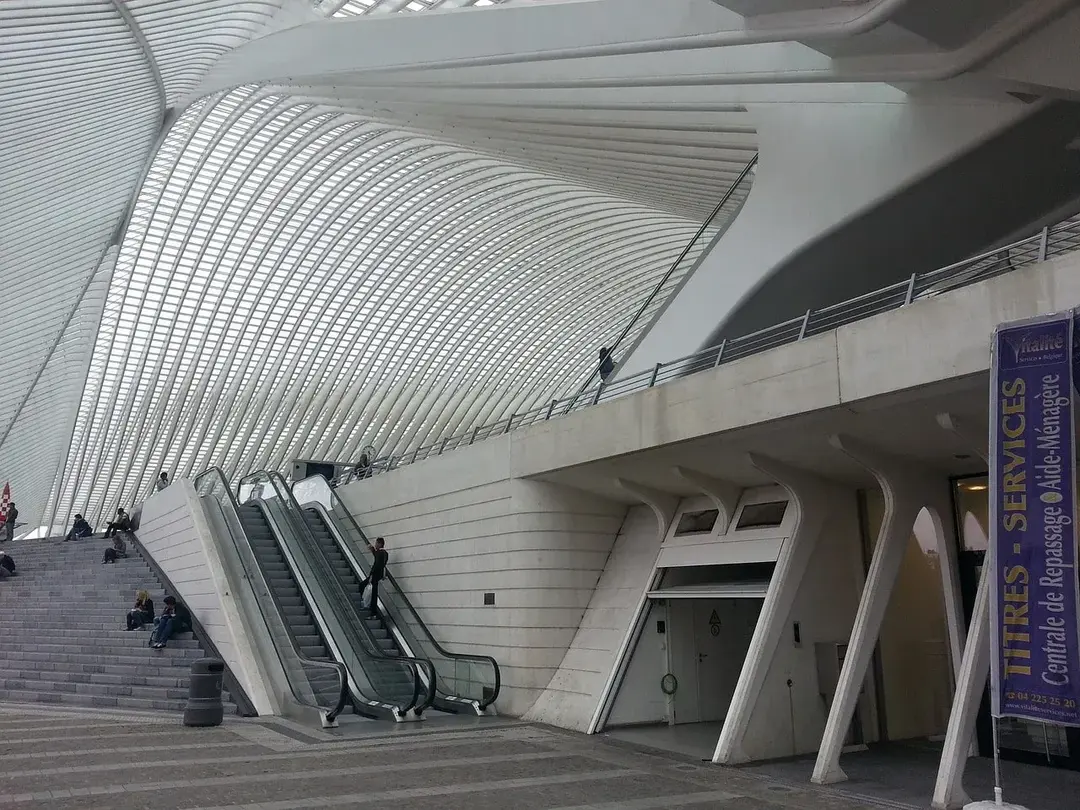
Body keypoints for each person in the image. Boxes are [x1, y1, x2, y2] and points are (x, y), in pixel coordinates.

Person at [357, 537, 388, 620]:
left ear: (380, 544)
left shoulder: (380, 553)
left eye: (376, 543)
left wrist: (371, 575)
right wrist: (372, 550)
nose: (375, 545)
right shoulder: (384, 553)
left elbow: (377, 564)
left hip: (375, 575)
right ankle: (371, 610)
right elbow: (379, 559)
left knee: (362, 586)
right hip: (379, 575)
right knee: (374, 593)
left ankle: (367, 606)